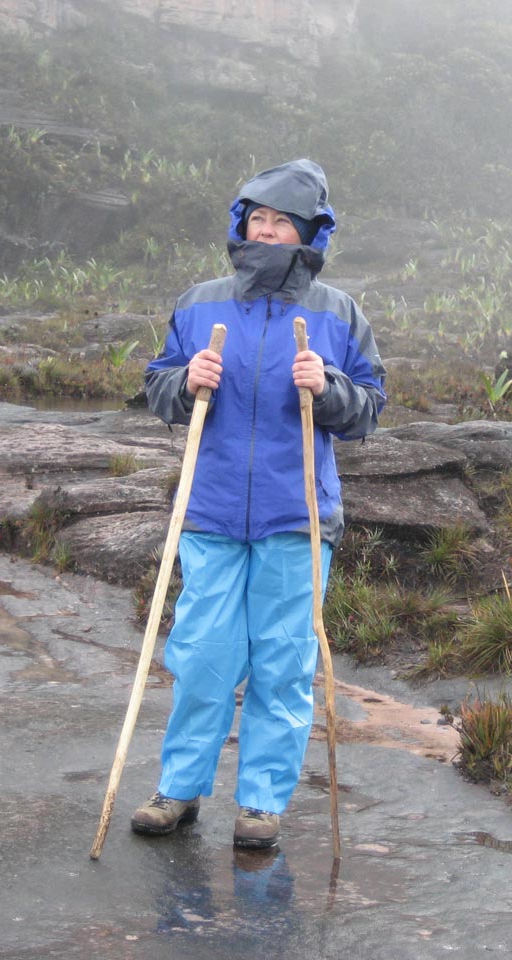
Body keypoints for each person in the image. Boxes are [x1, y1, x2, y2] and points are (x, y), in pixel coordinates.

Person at [135, 158, 386, 849]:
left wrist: (329, 387)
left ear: (308, 233)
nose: (266, 230)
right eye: (257, 218)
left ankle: (262, 804)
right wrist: (187, 379)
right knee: (204, 657)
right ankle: (179, 790)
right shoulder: (200, 304)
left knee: (281, 663)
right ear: (242, 224)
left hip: (296, 518)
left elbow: (368, 410)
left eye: (281, 221)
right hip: (212, 514)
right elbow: (157, 390)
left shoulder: (337, 314)